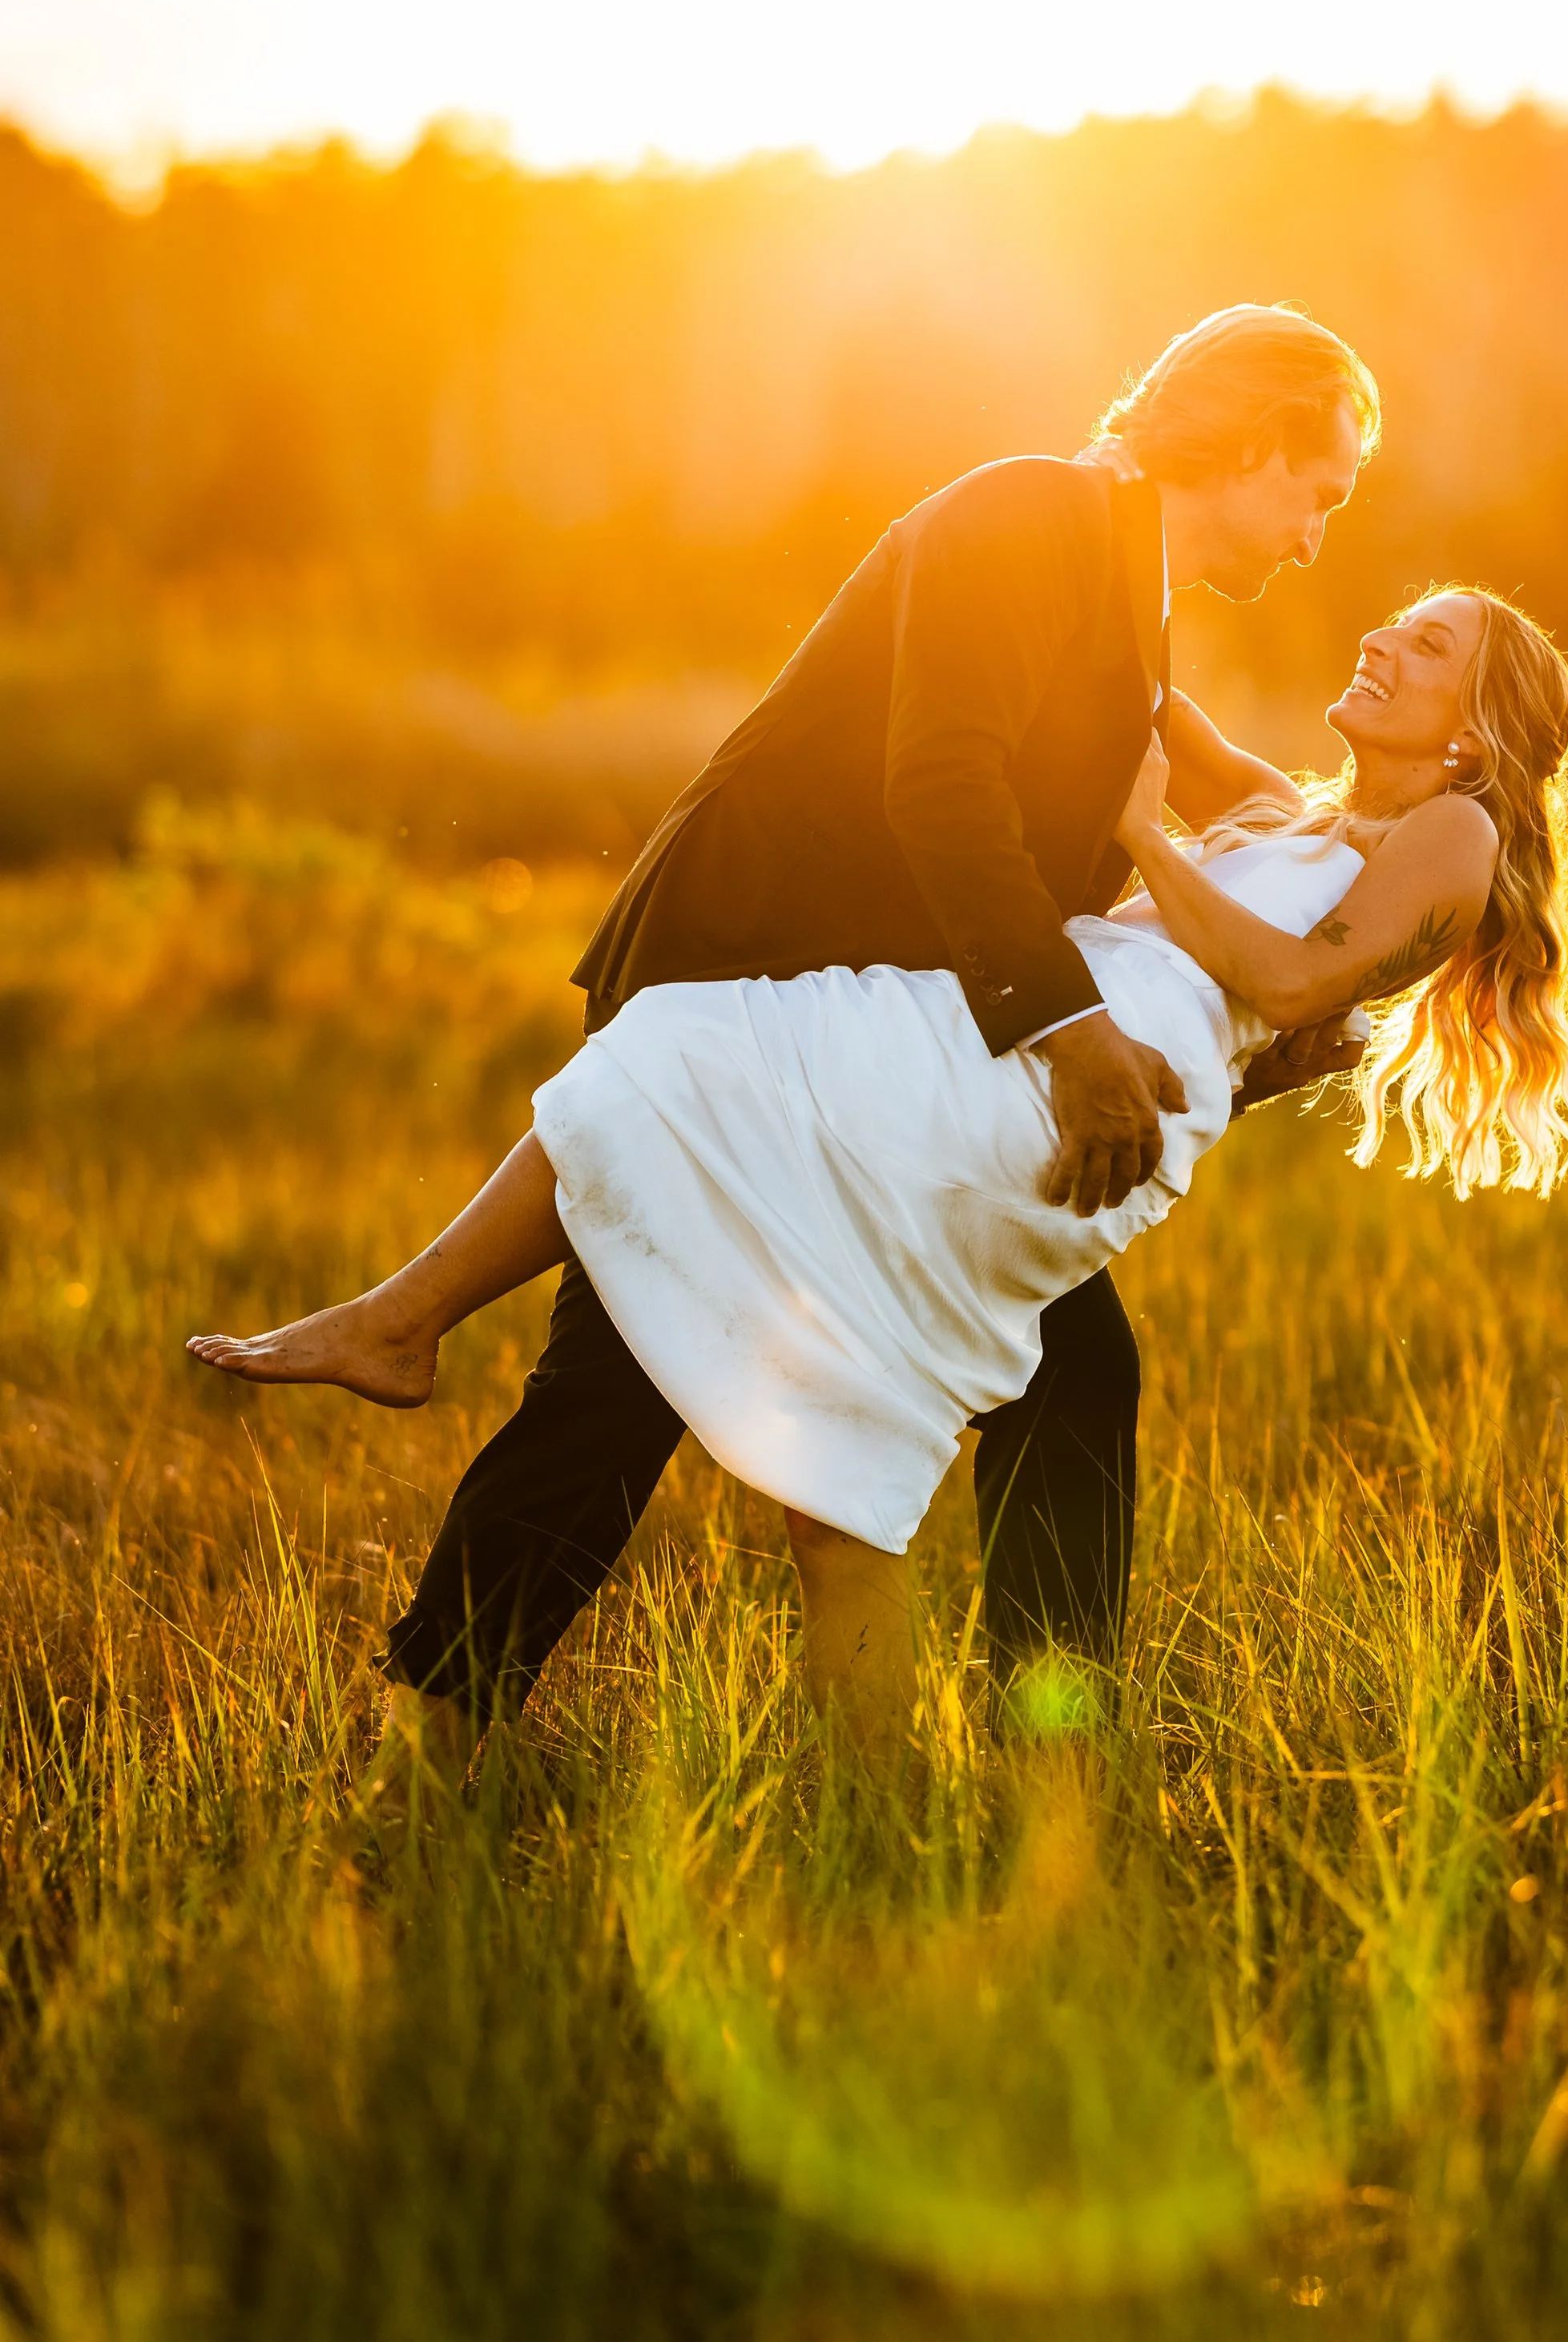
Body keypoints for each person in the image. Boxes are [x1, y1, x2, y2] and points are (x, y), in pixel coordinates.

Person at [189, 305, 1383, 1756]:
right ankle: (438, 1739)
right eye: (1319, 493)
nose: (1317, 534)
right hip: (739, 972)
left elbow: (1097, 858)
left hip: (862, 1035)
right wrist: (1067, 1032)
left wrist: (1264, 1019)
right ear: (1254, 445)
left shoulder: (1126, 599)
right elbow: (938, 787)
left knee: (1066, 1370)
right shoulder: (1030, 514)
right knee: (619, 1388)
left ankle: (1051, 1750)